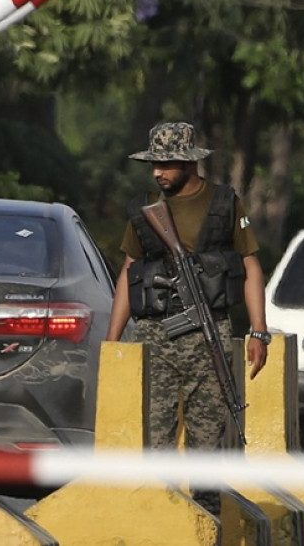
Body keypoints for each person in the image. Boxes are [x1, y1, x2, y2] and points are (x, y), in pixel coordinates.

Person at [105, 121, 269, 515]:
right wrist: (112, 342)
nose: (158, 172)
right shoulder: (144, 210)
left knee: (207, 442)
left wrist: (258, 333)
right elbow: (130, 270)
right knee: (155, 440)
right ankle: (163, 522)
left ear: (190, 163)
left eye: (168, 164)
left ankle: (207, 521)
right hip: (155, 334)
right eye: (154, 165)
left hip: (208, 334)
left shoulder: (224, 203)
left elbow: (250, 268)